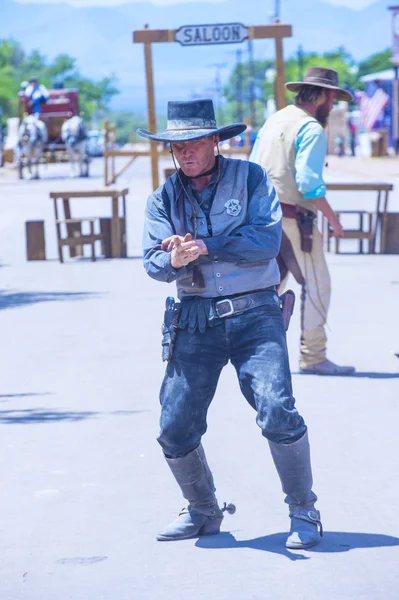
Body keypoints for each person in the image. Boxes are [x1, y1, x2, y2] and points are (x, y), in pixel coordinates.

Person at [139, 99, 323, 550]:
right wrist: (173, 259)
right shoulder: (162, 198)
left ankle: (304, 510)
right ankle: (203, 510)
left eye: (195, 142)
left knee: (277, 410)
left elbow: (265, 241)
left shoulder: (252, 178)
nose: (185, 153)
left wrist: (204, 246)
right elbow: (152, 261)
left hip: (256, 312)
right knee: (174, 425)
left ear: (216, 142)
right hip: (195, 318)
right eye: (177, 146)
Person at [251, 68, 355, 376]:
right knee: (317, 285)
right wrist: (334, 221)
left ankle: (255, 352)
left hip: (261, 217)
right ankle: (313, 355)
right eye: (332, 97)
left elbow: (253, 170)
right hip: (294, 219)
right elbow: (309, 183)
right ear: (322, 95)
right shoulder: (310, 128)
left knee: (267, 285)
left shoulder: (275, 120)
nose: (333, 104)